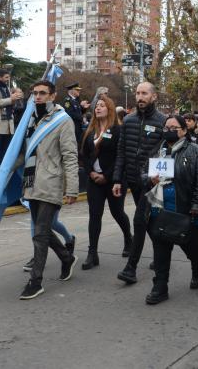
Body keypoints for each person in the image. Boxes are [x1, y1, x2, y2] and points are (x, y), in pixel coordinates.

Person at [18, 80, 79, 300]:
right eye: (35, 93)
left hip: (51, 181)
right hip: (32, 182)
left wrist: (72, 187)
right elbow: (22, 150)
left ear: (53, 96)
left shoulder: (63, 121)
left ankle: (36, 281)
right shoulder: (32, 119)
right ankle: (66, 257)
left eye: (42, 93)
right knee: (42, 231)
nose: (38, 97)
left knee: (40, 233)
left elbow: (70, 155)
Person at [144, 114, 198, 304]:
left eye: (174, 128)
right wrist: (150, 179)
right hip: (160, 210)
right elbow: (142, 173)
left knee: (190, 244)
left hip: (187, 210)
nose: (169, 131)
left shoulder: (197, 152)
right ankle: (160, 286)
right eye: (166, 127)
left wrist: (197, 205)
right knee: (161, 249)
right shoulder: (158, 150)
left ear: (184, 130)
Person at [112, 82, 167, 285]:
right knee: (150, 222)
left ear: (154, 96)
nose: (140, 97)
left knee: (139, 221)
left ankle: (130, 268)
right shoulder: (128, 120)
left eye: (144, 93)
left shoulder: (163, 121)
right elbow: (121, 151)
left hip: (153, 183)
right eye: (137, 93)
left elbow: (166, 153)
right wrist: (118, 179)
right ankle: (162, 256)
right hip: (133, 181)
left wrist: (157, 176)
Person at [80, 94, 132, 269]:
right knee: (95, 215)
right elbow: (84, 155)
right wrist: (92, 173)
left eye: (102, 105)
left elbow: (120, 156)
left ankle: (128, 238)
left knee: (117, 212)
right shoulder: (89, 130)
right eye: (96, 106)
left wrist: (107, 176)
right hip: (94, 180)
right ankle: (92, 253)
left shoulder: (118, 130)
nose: (98, 108)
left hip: (114, 180)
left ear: (109, 109)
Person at [0, 69, 24, 177]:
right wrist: (11, 99)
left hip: (7, 123)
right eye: (6, 77)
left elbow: (9, 102)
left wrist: (16, 98)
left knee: (5, 149)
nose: (8, 79)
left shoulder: (6, 87)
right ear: (0, 77)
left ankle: (1, 170)